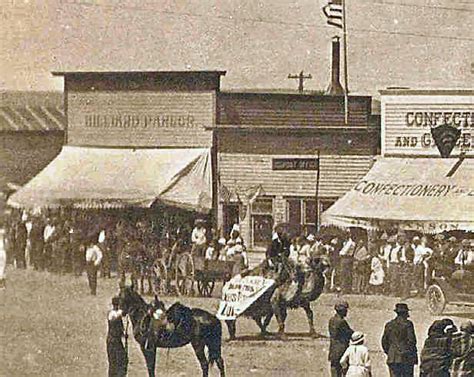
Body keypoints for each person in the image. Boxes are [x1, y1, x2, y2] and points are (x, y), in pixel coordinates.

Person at [381, 303, 418, 377]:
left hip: (392, 357)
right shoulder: (408, 324)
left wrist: (390, 351)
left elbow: (384, 342)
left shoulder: (389, 324)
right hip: (406, 358)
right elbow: (412, 341)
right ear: (405, 313)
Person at [328, 300, 354, 377]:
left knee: (334, 371)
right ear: (342, 311)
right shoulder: (342, 322)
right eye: (346, 310)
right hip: (342, 350)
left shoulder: (332, 320)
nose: (347, 312)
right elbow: (350, 333)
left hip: (333, 350)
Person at [107, 296, 128, 377]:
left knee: (122, 360)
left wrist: (123, 334)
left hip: (116, 341)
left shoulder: (116, 313)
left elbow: (119, 327)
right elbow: (116, 316)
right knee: (114, 362)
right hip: (112, 341)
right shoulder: (111, 313)